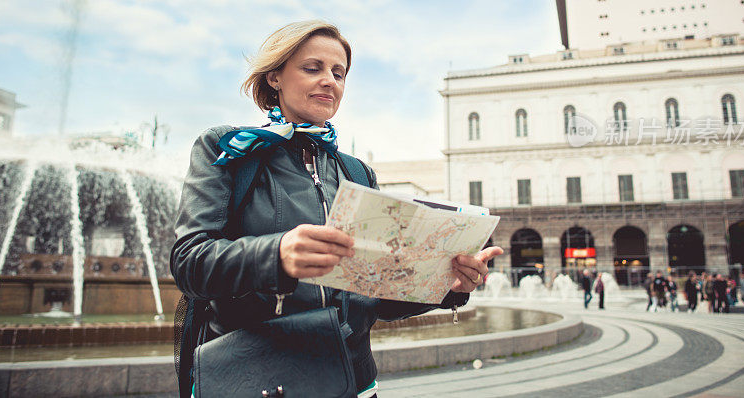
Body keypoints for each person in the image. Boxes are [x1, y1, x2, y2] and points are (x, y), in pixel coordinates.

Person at [170, 20, 503, 398]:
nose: (330, 80)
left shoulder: (357, 173)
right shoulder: (228, 149)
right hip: (258, 379)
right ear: (275, 76)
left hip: (352, 382)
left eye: (339, 73)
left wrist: (446, 285)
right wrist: (276, 255)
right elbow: (189, 263)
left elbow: (374, 296)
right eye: (313, 68)